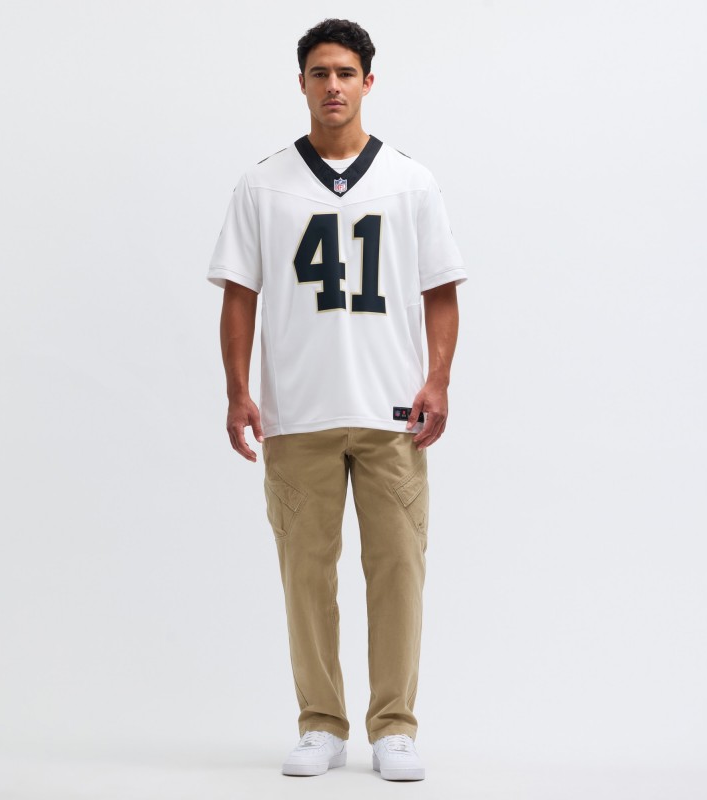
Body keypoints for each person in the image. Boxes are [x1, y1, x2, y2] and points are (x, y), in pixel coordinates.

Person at [207, 18, 466, 781]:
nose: (332, 86)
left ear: (368, 82)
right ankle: (320, 722)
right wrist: (238, 391)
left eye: (345, 73)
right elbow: (240, 294)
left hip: (392, 414)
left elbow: (441, 289)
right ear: (301, 83)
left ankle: (395, 727)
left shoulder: (410, 181)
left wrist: (438, 379)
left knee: (398, 570)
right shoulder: (263, 184)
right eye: (319, 73)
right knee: (305, 576)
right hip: (298, 413)